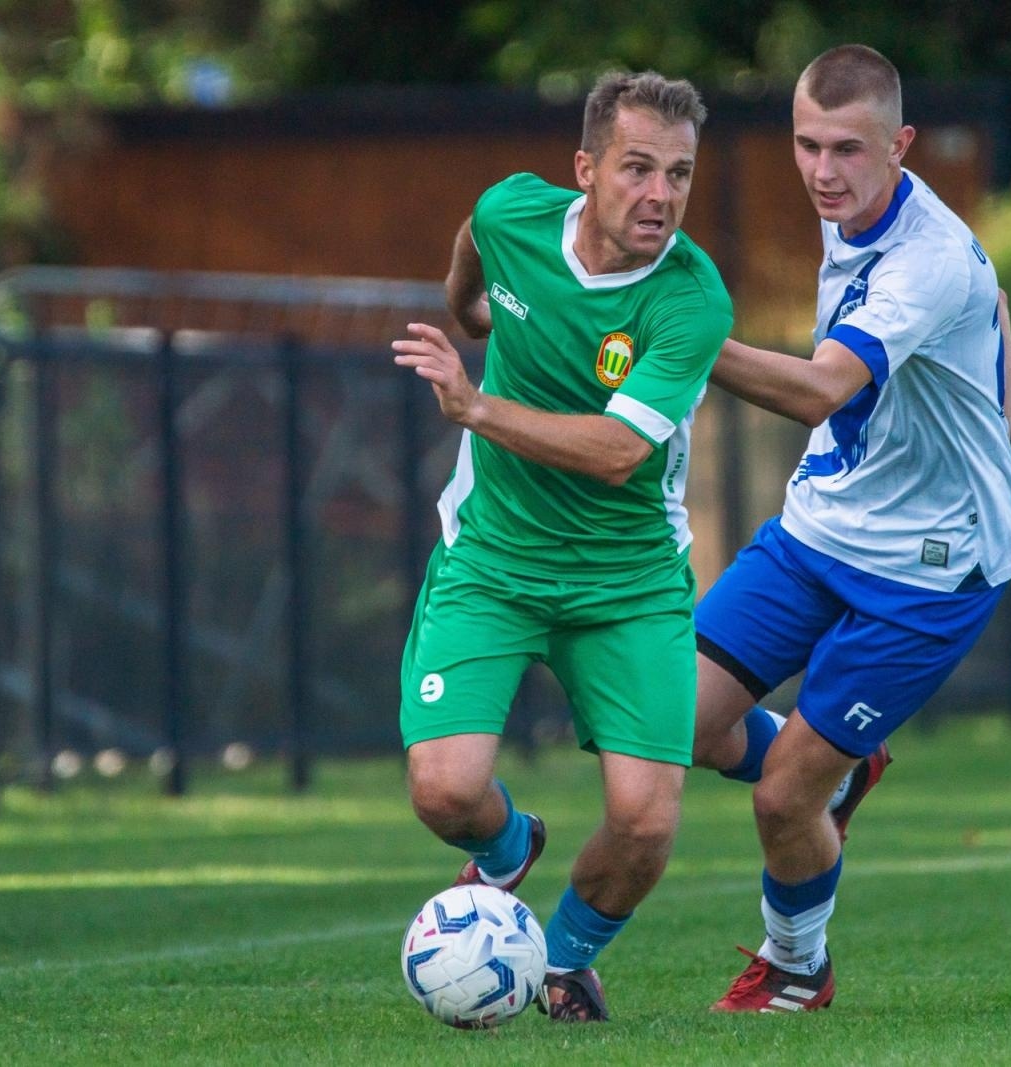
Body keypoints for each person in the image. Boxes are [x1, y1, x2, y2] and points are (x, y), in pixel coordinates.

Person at [684, 44, 1011, 1013]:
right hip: (823, 525)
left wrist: (679, 341)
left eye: (847, 150)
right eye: (806, 145)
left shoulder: (926, 257)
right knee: (669, 723)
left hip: (925, 575)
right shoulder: (856, 207)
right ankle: (836, 763)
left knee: (781, 800)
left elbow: (819, 387)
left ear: (898, 145)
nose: (821, 170)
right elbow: (1001, 307)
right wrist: (998, 442)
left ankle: (797, 965)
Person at [391, 70, 732, 1023]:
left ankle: (563, 958)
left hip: (627, 584)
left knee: (647, 818)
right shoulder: (514, 213)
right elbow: (475, 241)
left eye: (679, 174)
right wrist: (469, 311)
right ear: (585, 171)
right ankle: (508, 850)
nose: (659, 194)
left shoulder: (691, 300)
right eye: (636, 169)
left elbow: (622, 452)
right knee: (443, 790)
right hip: (493, 558)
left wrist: (475, 403)